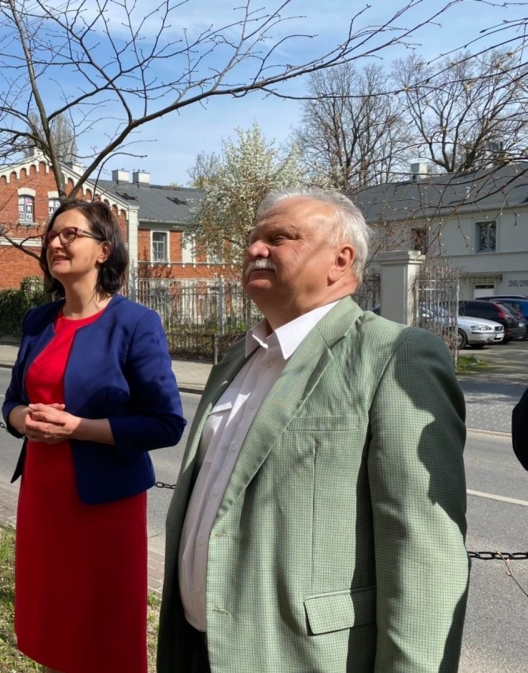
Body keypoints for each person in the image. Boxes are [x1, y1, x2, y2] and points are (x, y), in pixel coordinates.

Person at [157, 188, 470, 673]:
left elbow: (423, 553)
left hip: (302, 657)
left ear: (340, 260)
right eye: (253, 238)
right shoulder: (238, 358)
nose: (255, 249)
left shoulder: (394, 354)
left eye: (280, 237)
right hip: (198, 647)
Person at [2, 200, 185, 673]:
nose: (56, 242)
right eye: (52, 235)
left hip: (105, 507)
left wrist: (78, 429)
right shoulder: (37, 322)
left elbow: (166, 423)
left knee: (102, 631)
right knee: (54, 625)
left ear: (104, 250)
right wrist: (24, 421)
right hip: (43, 499)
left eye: (70, 234)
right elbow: (12, 402)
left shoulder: (135, 323)